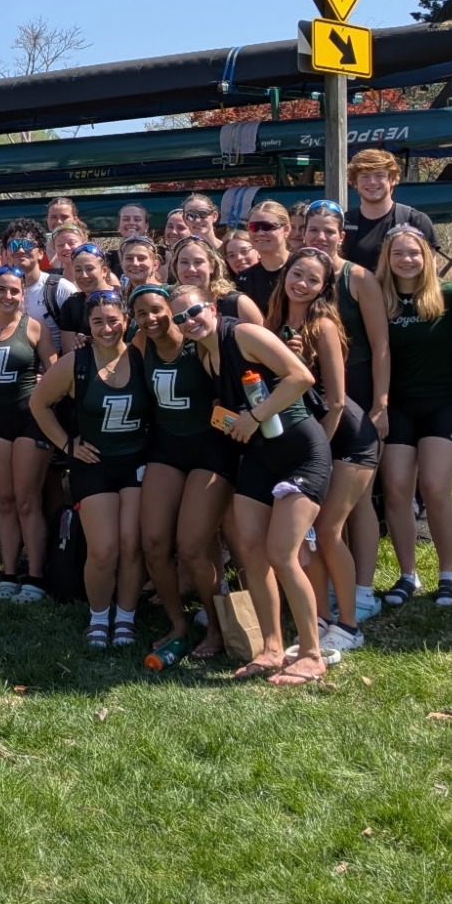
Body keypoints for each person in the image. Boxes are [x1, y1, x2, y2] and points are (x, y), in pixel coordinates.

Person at [172, 285, 324, 685]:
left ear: (211, 306)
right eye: (179, 319)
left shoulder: (242, 334)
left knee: (282, 554)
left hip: (301, 451)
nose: (188, 322)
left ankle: (311, 653)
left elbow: (300, 377)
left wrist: (254, 415)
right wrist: (229, 420)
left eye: (194, 311)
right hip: (259, 457)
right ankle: (272, 649)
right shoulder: (206, 356)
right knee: (252, 556)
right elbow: (231, 412)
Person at [267, 246, 377, 654]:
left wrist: (319, 455)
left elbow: (334, 401)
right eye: (298, 274)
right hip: (305, 439)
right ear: (286, 274)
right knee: (307, 539)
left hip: (346, 437)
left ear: (324, 288)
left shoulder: (324, 325)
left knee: (328, 532)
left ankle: (349, 626)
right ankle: (320, 619)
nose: (302, 284)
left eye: (313, 280)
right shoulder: (274, 322)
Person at [31, 287, 149, 647]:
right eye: (98, 322)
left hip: (137, 463)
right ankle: (99, 616)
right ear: (89, 326)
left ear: (126, 321)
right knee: (103, 549)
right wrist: (67, 444)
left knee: (131, 544)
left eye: (114, 320)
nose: (107, 327)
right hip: (93, 464)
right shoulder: (76, 363)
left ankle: (126, 617)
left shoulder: (143, 356)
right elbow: (39, 404)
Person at [375, 226, 452, 610]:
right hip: (398, 406)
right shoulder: (377, 298)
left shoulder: (450, 296)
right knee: (397, 490)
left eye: (414, 253)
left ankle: (447, 574)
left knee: (436, 489)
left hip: (443, 402)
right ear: (387, 260)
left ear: (427, 257)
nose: (407, 260)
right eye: (398, 254)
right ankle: (407, 574)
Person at [132, 283, 239, 666]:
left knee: (193, 546)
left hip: (211, 448)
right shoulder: (141, 345)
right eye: (142, 313)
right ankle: (178, 625)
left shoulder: (200, 343)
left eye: (158, 309)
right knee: (155, 543)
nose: (151, 319)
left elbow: (234, 390)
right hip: (166, 447)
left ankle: (215, 626)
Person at [298, 199, 392, 612]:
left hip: (357, 401)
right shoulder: (299, 277)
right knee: (328, 504)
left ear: (342, 235)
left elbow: (381, 344)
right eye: (312, 230)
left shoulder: (359, 279)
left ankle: (363, 590)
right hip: (318, 403)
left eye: (327, 231)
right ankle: (335, 585)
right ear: (302, 234)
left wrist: (381, 402)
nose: (320, 237)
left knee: (359, 502)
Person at [0, 265, 57, 603]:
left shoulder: (34, 327)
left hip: (30, 419)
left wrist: (45, 384)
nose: (8, 296)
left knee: (27, 500)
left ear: (23, 294)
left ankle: (35, 577)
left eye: (14, 290)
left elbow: (56, 371)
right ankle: (9, 574)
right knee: (4, 500)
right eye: (2, 290)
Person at [343, 148, 436, 272]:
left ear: (392, 179)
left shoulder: (415, 220)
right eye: (364, 176)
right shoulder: (344, 223)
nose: (372, 182)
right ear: (354, 182)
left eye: (379, 175)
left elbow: (430, 276)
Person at [165, 236, 262, 326]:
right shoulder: (169, 304)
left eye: (198, 262)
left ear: (212, 266)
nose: (191, 269)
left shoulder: (237, 303)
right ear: (176, 267)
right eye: (184, 262)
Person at [233, 200, 292, 319]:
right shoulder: (245, 278)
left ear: (286, 229)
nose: (260, 233)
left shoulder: (302, 267)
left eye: (267, 227)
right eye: (254, 227)